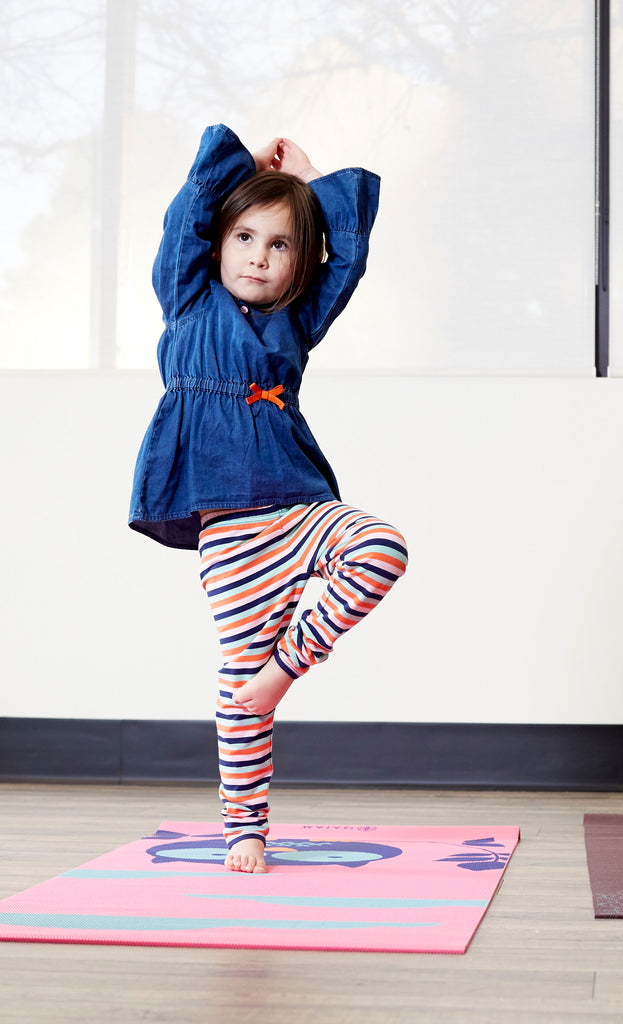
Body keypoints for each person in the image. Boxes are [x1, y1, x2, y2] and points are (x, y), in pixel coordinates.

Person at [129, 126, 408, 874]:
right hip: (230, 529)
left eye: (280, 245)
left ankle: (287, 666)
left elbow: (346, 260)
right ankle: (245, 827)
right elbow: (183, 226)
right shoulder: (189, 302)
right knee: (241, 695)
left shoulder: (296, 323)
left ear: (298, 264)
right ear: (218, 246)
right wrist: (236, 169)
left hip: (298, 504)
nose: (258, 255)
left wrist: (314, 181)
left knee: (382, 546)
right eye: (245, 237)